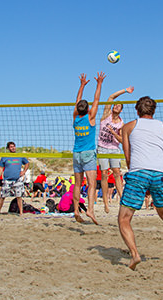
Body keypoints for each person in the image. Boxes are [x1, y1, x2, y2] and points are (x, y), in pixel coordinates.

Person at [117, 96, 163, 270]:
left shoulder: (128, 127)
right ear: (154, 111)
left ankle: (135, 255)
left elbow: (128, 157)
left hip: (139, 172)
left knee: (124, 219)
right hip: (161, 174)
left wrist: (141, 179)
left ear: (137, 110)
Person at [72, 72, 104, 224]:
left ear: (78, 109)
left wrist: (82, 85)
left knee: (77, 184)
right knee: (91, 184)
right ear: (88, 109)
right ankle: (90, 209)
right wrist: (99, 84)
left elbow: (77, 101)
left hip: (76, 154)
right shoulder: (90, 117)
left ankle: (77, 210)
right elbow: (97, 99)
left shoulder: (75, 117)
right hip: (88, 154)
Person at [98, 86, 132, 214]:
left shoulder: (121, 124)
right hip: (102, 148)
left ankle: (122, 200)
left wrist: (114, 133)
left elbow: (123, 140)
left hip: (113, 149)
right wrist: (125, 91)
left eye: (118, 105)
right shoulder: (106, 114)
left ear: (121, 110)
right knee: (104, 175)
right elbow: (111, 97)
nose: (116, 106)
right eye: (115, 105)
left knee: (117, 173)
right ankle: (106, 203)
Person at [0, 141, 29, 215]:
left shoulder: (19, 156)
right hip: (7, 180)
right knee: (2, 196)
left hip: (17, 180)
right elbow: (1, 168)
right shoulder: (5, 157)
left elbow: (27, 163)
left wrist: (24, 171)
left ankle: (21, 213)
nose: (13, 148)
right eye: (11, 147)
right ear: (8, 148)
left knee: (19, 197)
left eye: (14, 146)